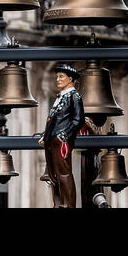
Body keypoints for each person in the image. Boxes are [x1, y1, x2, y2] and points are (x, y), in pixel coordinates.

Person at [39, 63, 84, 208]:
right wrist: (45, 136)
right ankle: (58, 204)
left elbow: (78, 120)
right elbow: (53, 120)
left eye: (61, 76)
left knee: (64, 175)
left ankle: (68, 205)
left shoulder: (74, 96)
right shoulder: (60, 97)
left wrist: (64, 134)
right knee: (53, 176)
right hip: (50, 140)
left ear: (70, 79)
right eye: (57, 77)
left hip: (61, 140)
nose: (57, 79)